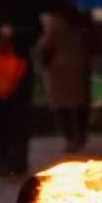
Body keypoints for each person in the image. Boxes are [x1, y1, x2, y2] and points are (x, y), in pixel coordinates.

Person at [0, 0, 42, 178]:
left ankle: (17, 159)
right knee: (3, 116)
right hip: (0, 70)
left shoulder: (25, 9)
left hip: (20, 67)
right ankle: (3, 158)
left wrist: (15, 33)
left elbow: (35, 31)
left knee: (20, 115)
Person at [36, 9, 94, 153]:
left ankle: (70, 138)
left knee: (62, 105)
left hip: (59, 68)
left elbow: (45, 45)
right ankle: (80, 135)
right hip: (80, 65)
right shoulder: (83, 19)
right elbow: (93, 42)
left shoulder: (54, 21)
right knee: (80, 103)